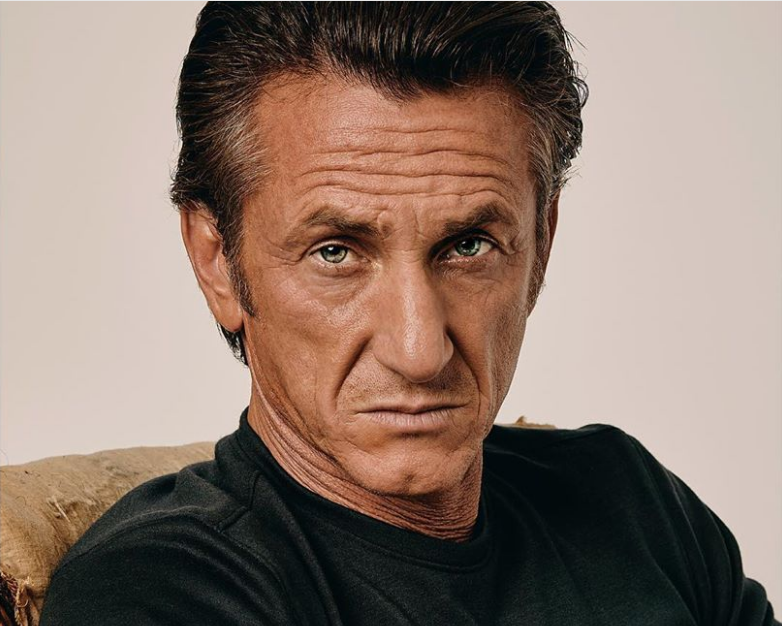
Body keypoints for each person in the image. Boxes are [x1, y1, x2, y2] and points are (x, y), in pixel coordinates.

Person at [40, 2, 777, 624]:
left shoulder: (629, 502)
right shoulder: (161, 591)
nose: (420, 351)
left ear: (542, 244)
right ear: (217, 262)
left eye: (467, 245)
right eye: (336, 252)